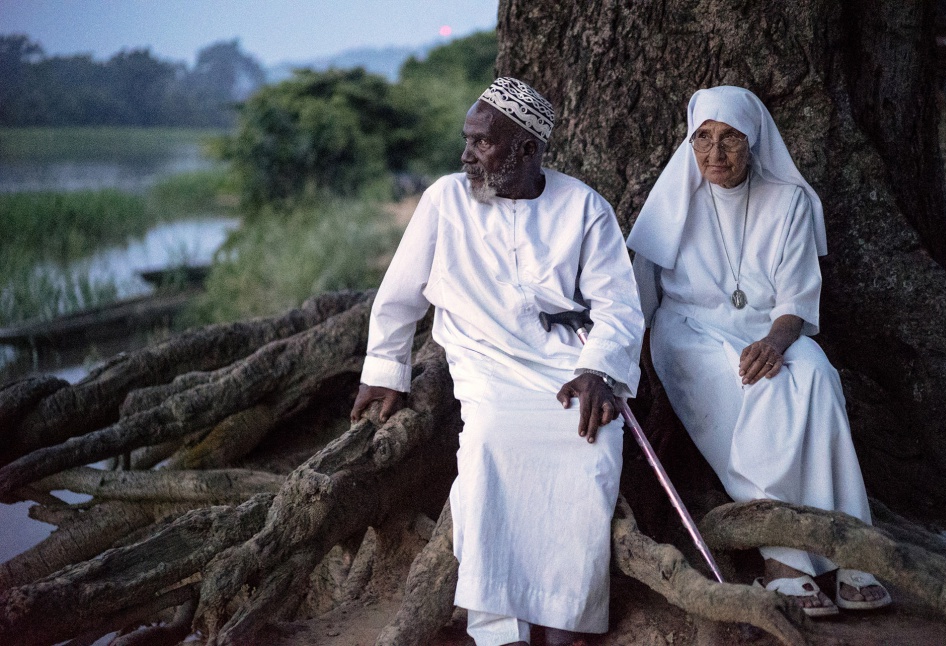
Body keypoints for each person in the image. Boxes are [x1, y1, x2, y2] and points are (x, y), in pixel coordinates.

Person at [351, 77, 645, 646]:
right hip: (483, 362)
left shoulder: (585, 207)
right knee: (488, 445)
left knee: (591, 448)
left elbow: (619, 306)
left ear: (528, 150)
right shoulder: (444, 199)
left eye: (483, 143)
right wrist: (385, 371)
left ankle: (565, 615)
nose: (467, 155)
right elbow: (398, 295)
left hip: (566, 364)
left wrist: (600, 370)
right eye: (468, 139)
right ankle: (501, 626)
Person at [626, 86, 891, 617]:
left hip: (772, 329)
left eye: (730, 139)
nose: (714, 154)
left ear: (754, 142)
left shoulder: (787, 201)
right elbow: (640, 295)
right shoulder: (676, 199)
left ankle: (852, 544)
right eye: (702, 138)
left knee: (817, 376)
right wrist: (638, 366)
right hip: (690, 332)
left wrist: (775, 340)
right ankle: (786, 555)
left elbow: (795, 298)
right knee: (758, 385)